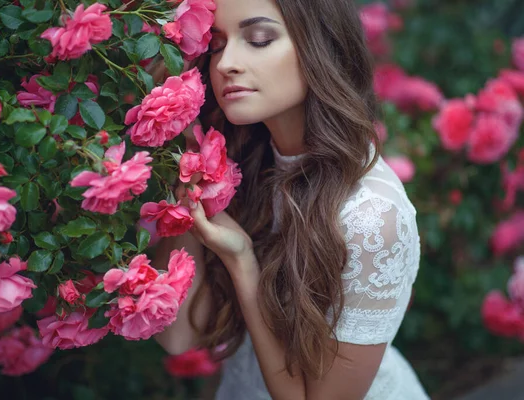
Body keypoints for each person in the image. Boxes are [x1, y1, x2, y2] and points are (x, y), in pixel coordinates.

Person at [153, 0, 430, 398]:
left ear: (321, 46)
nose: (226, 63)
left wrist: (242, 260)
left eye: (260, 39)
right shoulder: (245, 164)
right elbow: (178, 335)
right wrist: (189, 155)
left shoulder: (370, 217)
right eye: (216, 45)